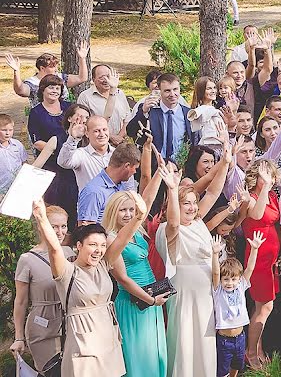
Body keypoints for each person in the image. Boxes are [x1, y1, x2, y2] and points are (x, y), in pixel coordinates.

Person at [32, 191, 147, 377]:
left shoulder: (104, 263)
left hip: (109, 341)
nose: (99, 250)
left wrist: (139, 216)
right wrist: (42, 218)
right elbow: (54, 248)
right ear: (79, 246)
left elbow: (121, 239)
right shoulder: (66, 271)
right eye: (93, 245)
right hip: (82, 347)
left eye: (102, 245)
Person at [156, 149, 228, 376]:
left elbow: (214, 192)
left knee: (204, 340)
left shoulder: (197, 223)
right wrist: (172, 188)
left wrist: (226, 160)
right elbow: (175, 224)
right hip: (184, 291)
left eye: (193, 203)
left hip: (205, 291)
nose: (192, 207)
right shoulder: (167, 229)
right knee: (185, 338)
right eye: (185, 203)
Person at [103, 191, 170, 377]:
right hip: (133, 302)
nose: (128, 214)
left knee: (154, 352)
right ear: (112, 212)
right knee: (137, 356)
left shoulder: (137, 230)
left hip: (151, 298)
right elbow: (122, 278)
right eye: (122, 210)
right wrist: (149, 299)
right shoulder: (110, 238)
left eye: (131, 209)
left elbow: (146, 200)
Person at [11, 205, 75, 376]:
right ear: (41, 226)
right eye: (54, 226)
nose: (60, 232)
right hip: (43, 327)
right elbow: (21, 301)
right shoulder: (27, 260)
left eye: (63, 226)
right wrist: (18, 338)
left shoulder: (70, 253)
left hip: (70, 324)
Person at [238, 159, 281, 367]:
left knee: (262, 307)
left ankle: (258, 348)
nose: (271, 180)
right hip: (257, 258)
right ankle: (250, 351)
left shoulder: (272, 196)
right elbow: (256, 214)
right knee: (264, 306)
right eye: (266, 176)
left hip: (271, 258)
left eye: (272, 176)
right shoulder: (251, 198)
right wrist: (264, 187)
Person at [211, 231, 265, 377]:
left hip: (240, 337)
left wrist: (254, 249)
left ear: (239, 279)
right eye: (226, 280)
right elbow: (216, 273)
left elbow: (250, 269)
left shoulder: (241, 286)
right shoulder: (218, 290)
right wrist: (215, 255)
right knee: (222, 370)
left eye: (233, 279)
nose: (230, 283)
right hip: (224, 340)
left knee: (237, 365)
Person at [127, 73, 196, 163]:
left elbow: (193, 142)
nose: (172, 94)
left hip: (179, 166)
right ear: (159, 91)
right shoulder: (150, 111)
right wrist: (143, 112)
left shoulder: (188, 113)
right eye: (167, 91)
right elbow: (130, 131)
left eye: (175, 89)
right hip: (154, 166)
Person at [76, 143, 141, 225]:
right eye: (135, 168)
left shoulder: (123, 185)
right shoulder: (94, 192)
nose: (135, 172)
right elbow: (85, 230)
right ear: (127, 166)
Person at [6, 46, 90, 108]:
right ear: (42, 68)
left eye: (56, 66)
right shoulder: (32, 83)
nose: (56, 69)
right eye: (52, 67)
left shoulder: (61, 78)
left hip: (63, 117)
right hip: (42, 120)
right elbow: (20, 90)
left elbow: (82, 78)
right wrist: (16, 71)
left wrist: (82, 58)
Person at [76, 65, 131, 146]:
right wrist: (110, 137)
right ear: (93, 80)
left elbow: (127, 118)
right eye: (102, 77)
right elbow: (84, 123)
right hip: (96, 144)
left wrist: (119, 137)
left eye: (108, 76)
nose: (106, 80)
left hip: (120, 143)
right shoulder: (85, 97)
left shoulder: (120, 93)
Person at [0, 113, 28, 193]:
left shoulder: (17, 145)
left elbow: (25, 163)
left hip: (18, 187)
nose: (7, 133)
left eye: (10, 130)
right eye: (4, 130)